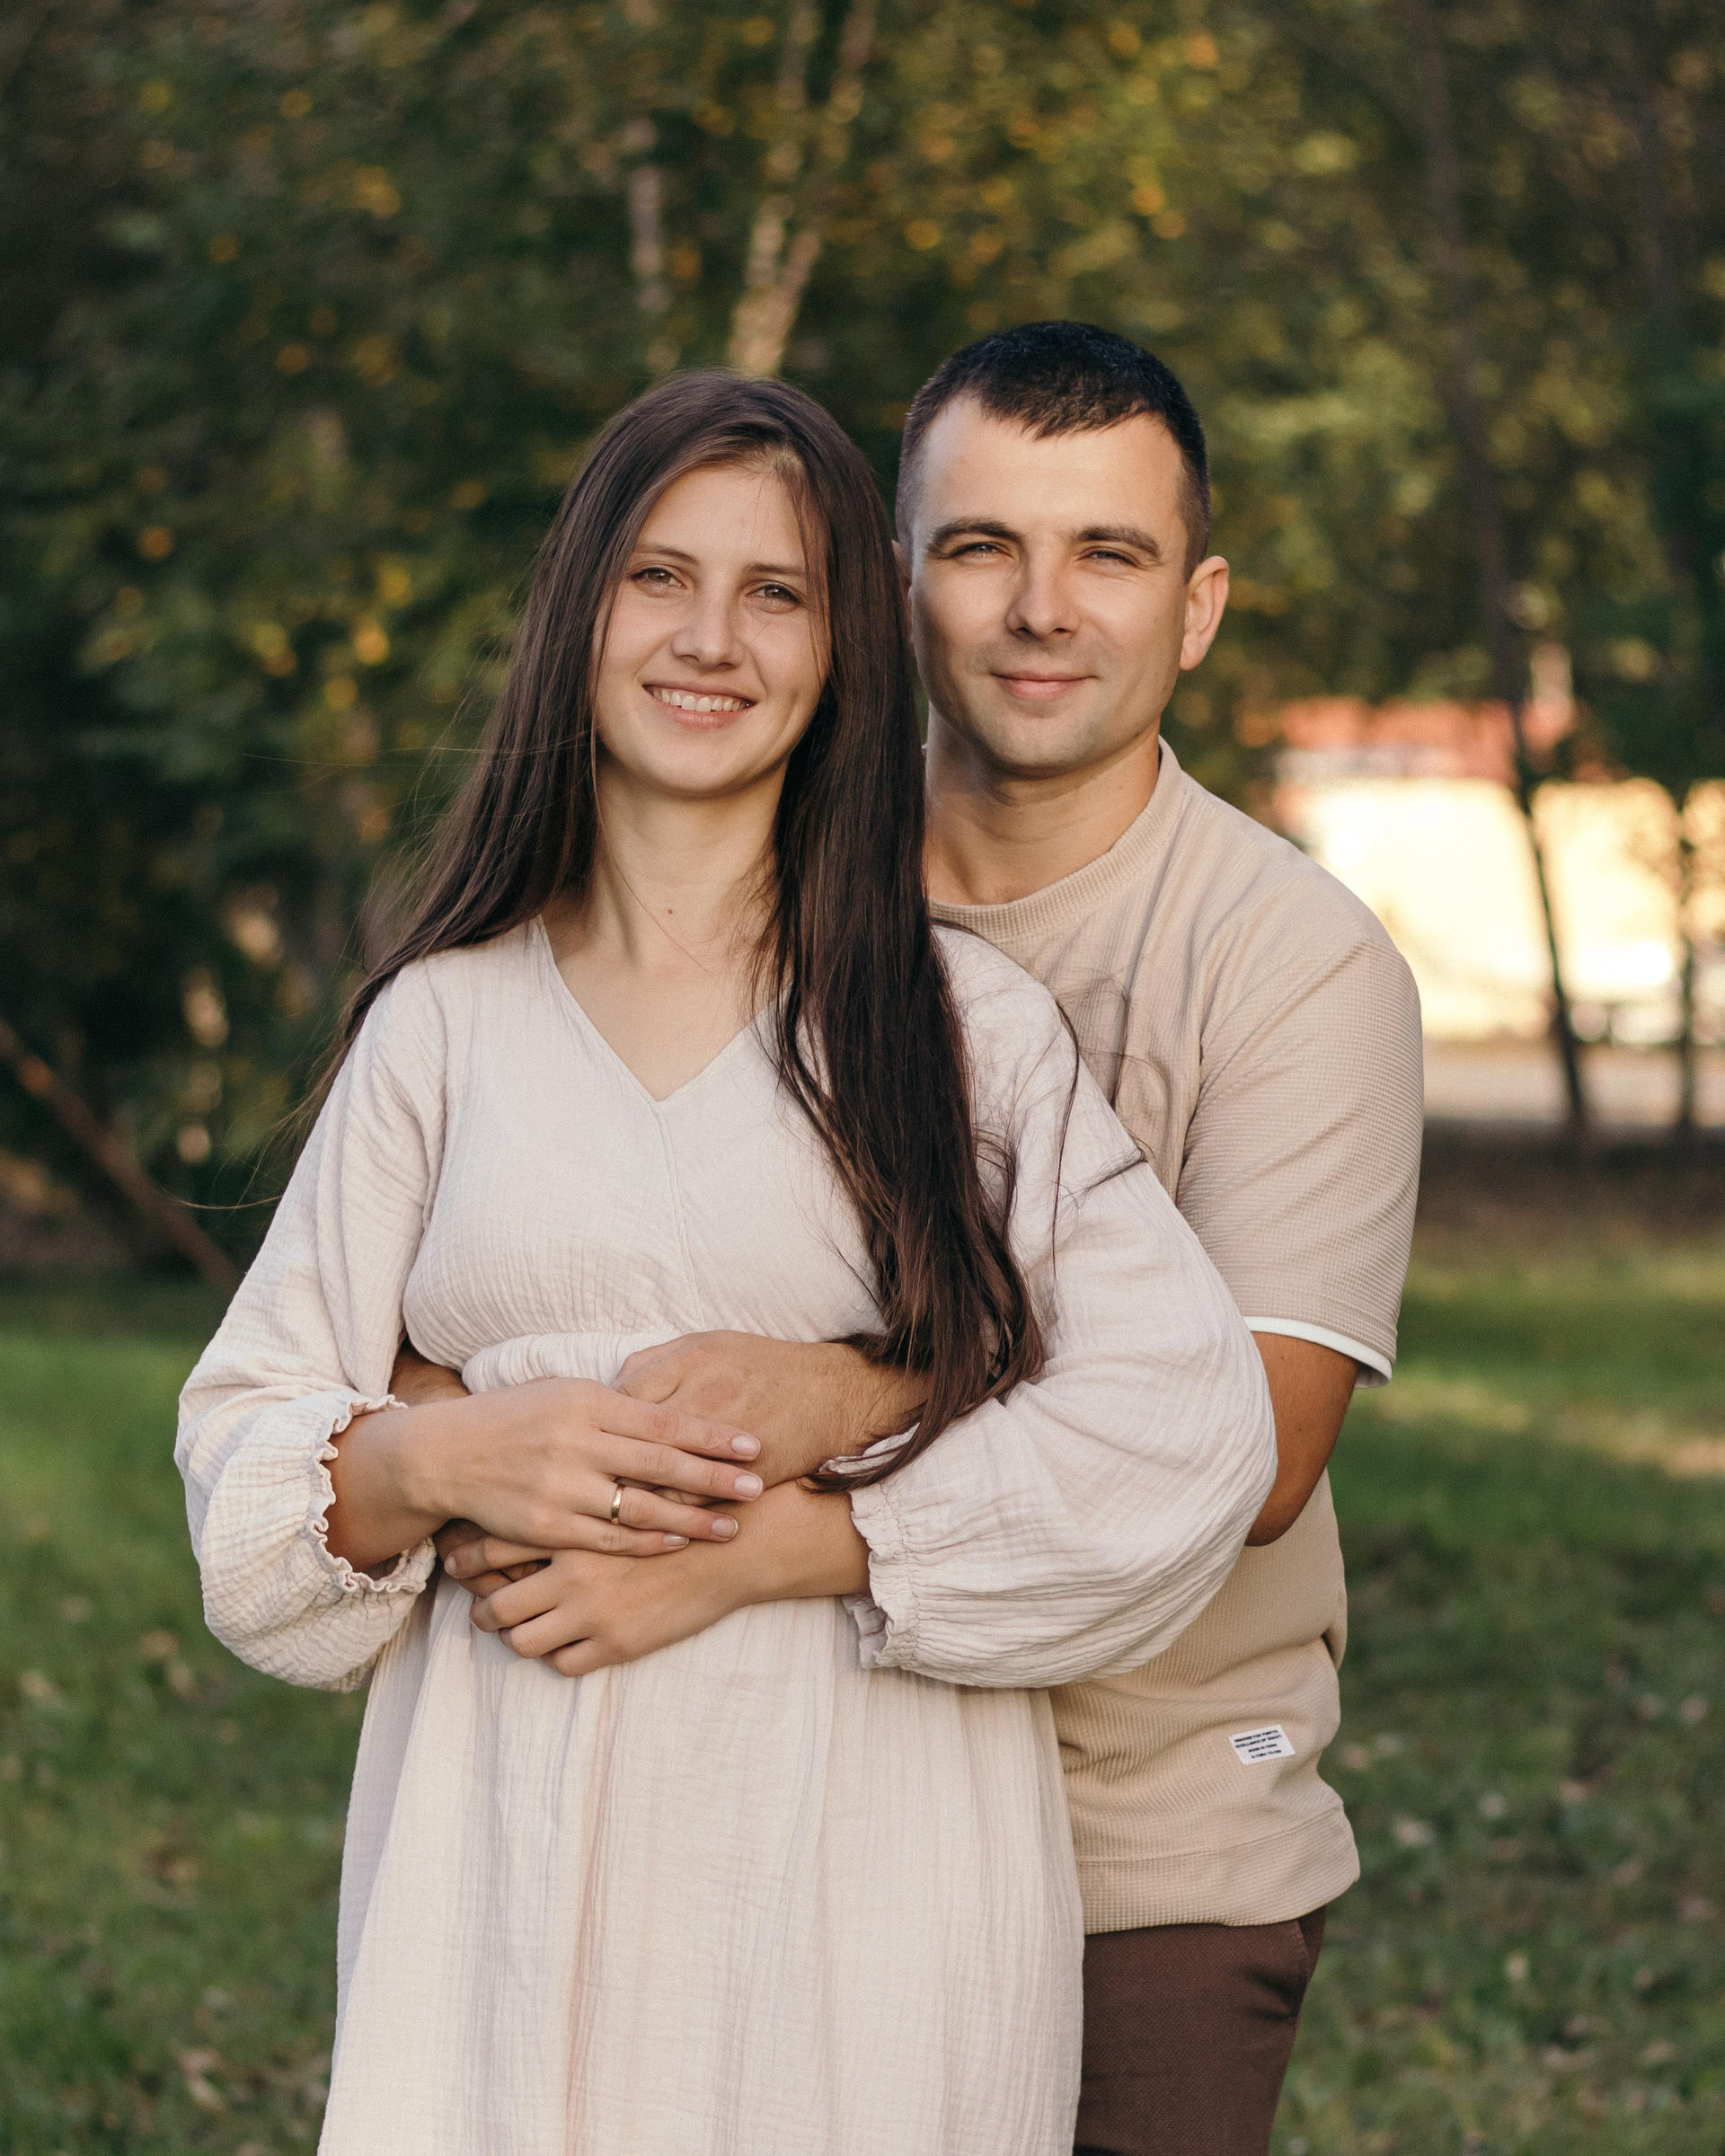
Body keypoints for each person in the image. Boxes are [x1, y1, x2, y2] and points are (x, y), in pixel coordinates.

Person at [176, 370, 1278, 2156]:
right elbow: (245, 1471)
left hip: (867, 1876)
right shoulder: (442, 1029)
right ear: (579, 611)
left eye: (777, 593)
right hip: (505, 1877)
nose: (711, 639)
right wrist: (448, 1451)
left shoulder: (958, 1031)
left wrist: (808, 1534)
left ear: (846, 651)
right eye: (659, 578)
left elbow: (1185, 1432)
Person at [416, 324, 1424, 2156]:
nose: (1042, 609)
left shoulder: (1293, 962)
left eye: (1108, 553)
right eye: (980, 548)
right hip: (767, 1785)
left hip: (1132, 1831)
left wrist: (823, 1430)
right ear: (890, 593)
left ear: (1196, 607)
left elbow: (1257, 1449)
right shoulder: (740, 891)